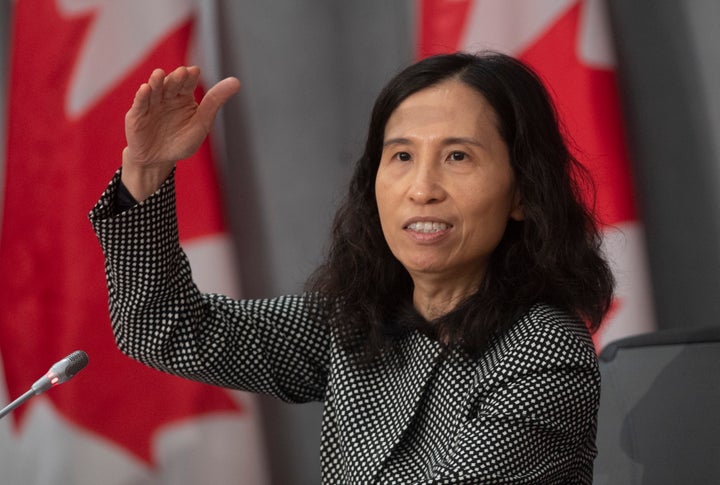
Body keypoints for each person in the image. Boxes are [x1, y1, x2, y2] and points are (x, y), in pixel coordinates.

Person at [89, 52, 614, 484]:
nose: (422, 189)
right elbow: (164, 327)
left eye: (458, 157)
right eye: (402, 157)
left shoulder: (545, 349)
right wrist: (148, 170)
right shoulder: (357, 323)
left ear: (522, 192)